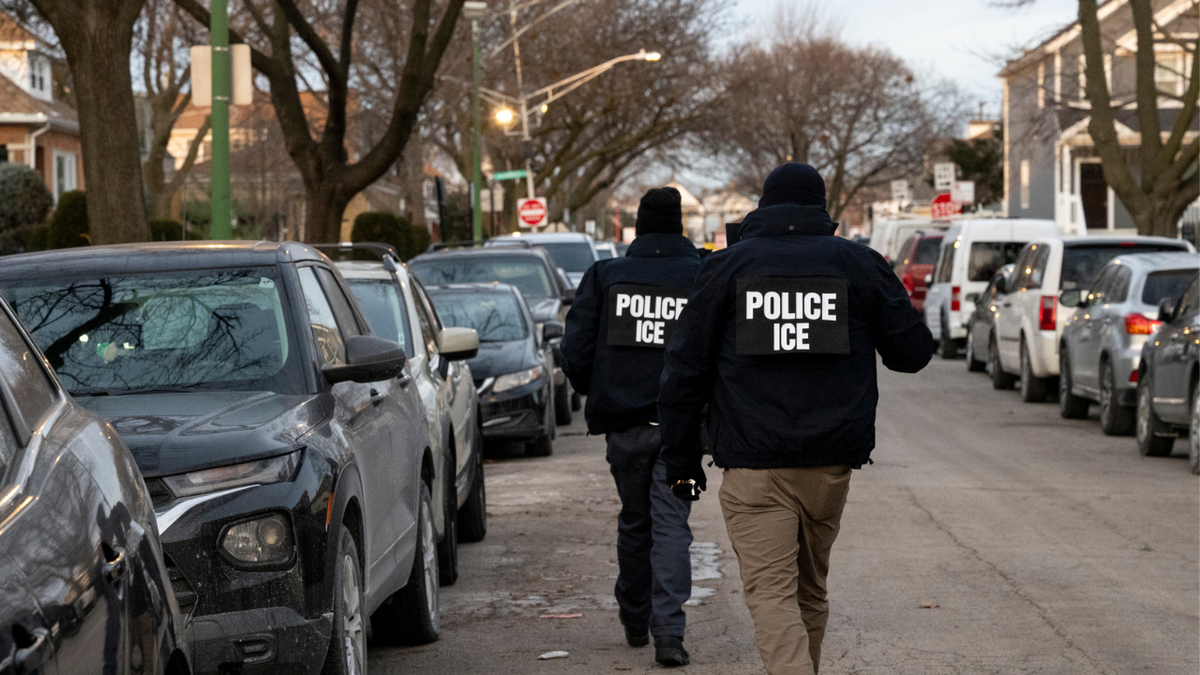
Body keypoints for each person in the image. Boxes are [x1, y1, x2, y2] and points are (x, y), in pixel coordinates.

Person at [658, 163, 935, 675]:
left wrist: (681, 459)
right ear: (822, 208)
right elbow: (912, 354)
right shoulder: (859, 263)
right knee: (808, 590)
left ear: (764, 207)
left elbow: (683, 370)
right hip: (831, 464)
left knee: (771, 594)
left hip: (752, 463)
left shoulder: (726, 267)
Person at [561, 187, 703, 667]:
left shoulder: (607, 276)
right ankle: (668, 630)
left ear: (638, 227)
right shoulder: (700, 275)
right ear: (679, 225)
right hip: (681, 427)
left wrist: (600, 387)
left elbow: (575, 353)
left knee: (635, 519)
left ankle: (634, 615)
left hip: (624, 425)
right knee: (671, 524)